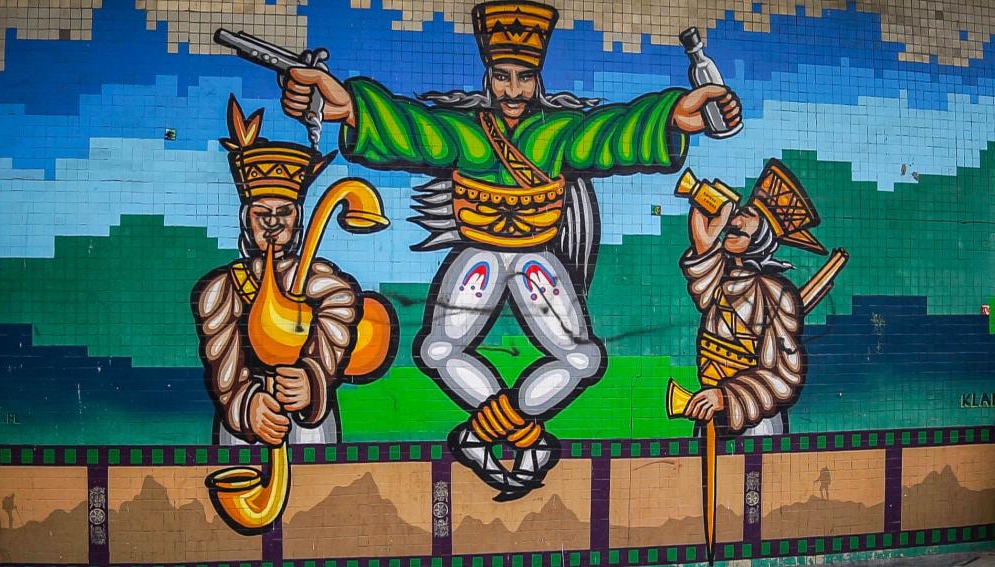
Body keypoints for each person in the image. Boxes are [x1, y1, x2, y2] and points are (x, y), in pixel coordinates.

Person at [280, 1, 741, 499]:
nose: (513, 91)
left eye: (524, 78)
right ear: (488, 77)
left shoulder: (557, 134)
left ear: (537, 79)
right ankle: (529, 442)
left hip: (536, 260)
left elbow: (608, 133)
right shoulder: (465, 132)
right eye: (502, 77)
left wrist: (672, 115)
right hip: (477, 257)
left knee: (582, 359)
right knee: (437, 349)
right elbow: (414, 129)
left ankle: (479, 436)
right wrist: (348, 107)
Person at [191, 96, 362, 447]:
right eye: (262, 215)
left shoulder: (316, 278)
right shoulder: (224, 287)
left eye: (284, 214)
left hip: (305, 411)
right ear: (247, 220)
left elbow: (339, 314)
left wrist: (313, 377)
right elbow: (222, 355)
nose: (273, 224)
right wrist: (244, 404)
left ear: (297, 220)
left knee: (318, 474)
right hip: (249, 418)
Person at [680, 159, 827, 435]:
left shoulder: (775, 294)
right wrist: (703, 207)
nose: (735, 220)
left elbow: (783, 375)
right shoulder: (722, 282)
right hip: (711, 412)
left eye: (746, 215)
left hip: (756, 423)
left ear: (763, 236)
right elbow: (703, 249)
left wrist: (726, 397)